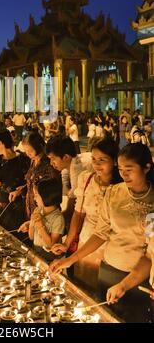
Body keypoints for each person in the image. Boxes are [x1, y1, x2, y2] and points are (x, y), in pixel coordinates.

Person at [49, 143, 154, 323]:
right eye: (120, 169)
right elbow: (101, 234)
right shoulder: (114, 192)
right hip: (108, 269)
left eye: (129, 169)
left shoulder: (152, 203)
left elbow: (149, 255)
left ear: (146, 167)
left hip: (137, 277)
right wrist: (70, 259)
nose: (123, 174)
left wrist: (124, 285)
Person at [51, 138, 121, 289]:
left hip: (109, 247)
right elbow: (78, 214)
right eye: (94, 159)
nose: (97, 164)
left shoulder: (120, 188)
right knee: (82, 286)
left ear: (115, 161)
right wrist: (67, 244)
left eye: (102, 160)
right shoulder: (86, 179)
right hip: (85, 240)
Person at [14, 132, 60, 233]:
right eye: (26, 150)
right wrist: (22, 188)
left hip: (45, 211)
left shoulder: (49, 164)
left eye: (30, 150)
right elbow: (32, 181)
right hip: (31, 207)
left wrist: (39, 218)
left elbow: (51, 193)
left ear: (39, 146)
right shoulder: (33, 160)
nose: (27, 153)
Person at [0, 130, 30, 231]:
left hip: (15, 204)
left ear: (1, 143)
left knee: (14, 231)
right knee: (0, 229)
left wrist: (20, 190)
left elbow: (29, 181)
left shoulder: (22, 159)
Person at [29, 178, 64, 263]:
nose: (34, 199)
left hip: (49, 257)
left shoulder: (58, 218)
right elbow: (31, 237)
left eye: (37, 195)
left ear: (46, 196)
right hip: (36, 251)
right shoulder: (37, 210)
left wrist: (40, 225)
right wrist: (31, 223)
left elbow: (51, 244)